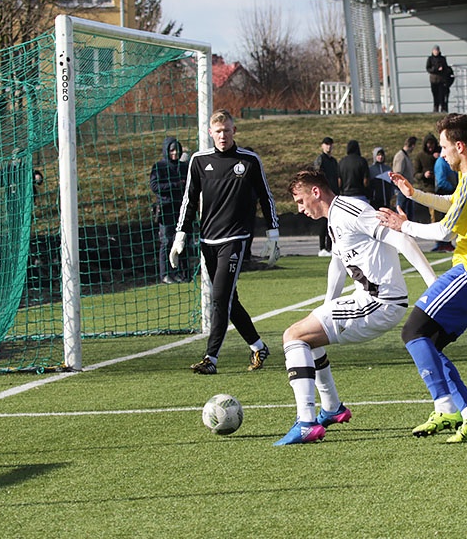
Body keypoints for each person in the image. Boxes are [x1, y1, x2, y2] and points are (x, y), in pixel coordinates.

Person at [275, 169, 437, 445]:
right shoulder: (335, 217)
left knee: (293, 336)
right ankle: (332, 408)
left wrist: (433, 284)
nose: (300, 209)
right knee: (310, 337)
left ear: (316, 192)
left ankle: (306, 422)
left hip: (379, 303)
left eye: (301, 201)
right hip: (371, 300)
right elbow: (338, 263)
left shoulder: (352, 210)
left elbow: (400, 239)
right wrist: (327, 305)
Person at [377, 113, 467, 443]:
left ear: (460, 146)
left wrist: (402, 225)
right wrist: (414, 193)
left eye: (445, 146)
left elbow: (444, 229)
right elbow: (453, 204)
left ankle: (445, 406)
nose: (441, 153)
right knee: (429, 345)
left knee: (412, 331)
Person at [170, 109, 280, 374]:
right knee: (228, 299)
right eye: (218, 131)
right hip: (208, 240)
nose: (222, 135)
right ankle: (258, 346)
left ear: (234, 131)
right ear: (211, 132)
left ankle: (211, 358)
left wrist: (273, 233)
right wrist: (180, 235)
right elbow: (188, 199)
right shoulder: (198, 161)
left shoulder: (249, 161)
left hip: (236, 238)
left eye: (227, 130)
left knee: (220, 296)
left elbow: (266, 197)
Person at [149, 136, 189, 283]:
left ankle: (181, 273)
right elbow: (155, 187)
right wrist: (175, 185)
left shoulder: (183, 166)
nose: (175, 153)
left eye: (177, 150)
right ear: (166, 151)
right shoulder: (159, 167)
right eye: (172, 150)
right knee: (166, 242)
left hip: (181, 209)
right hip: (166, 209)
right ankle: (165, 274)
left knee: (182, 241)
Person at [313, 136, 340, 257]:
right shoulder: (321, 159)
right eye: (326, 144)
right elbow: (317, 175)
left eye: (330, 144)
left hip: (333, 194)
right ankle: (322, 247)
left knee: (331, 221)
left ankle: (330, 247)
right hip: (323, 194)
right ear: (322, 146)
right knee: (323, 221)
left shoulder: (333, 161)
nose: (329, 146)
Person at [432, 140, 457, 252]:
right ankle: (442, 243)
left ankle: (446, 242)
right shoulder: (441, 163)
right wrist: (454, 189)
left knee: (449, 218)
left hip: (450, 193)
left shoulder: (448, 162)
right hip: (444, 193)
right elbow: (441, 181)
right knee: (444, 218)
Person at [392, 135, 417, 220]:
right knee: (402, 212)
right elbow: (398, 173)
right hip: (402, 190)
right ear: (412, 145)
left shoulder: (405, 156)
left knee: (409, 213)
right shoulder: (401, 156)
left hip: (407, 189)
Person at [426, 45, 453, 113]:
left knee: (442, 95)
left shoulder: (442, 59)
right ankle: (436, 108)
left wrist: (442, 69)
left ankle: (443, 108)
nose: (436, 52)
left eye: (437, 50)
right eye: (435, 50)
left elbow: (446, 68)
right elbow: (428, 68)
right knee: (435, 95)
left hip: (441, 80)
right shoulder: (430, 59)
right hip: (433, 80)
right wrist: (435, 69)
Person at [368, 146, 393, 210]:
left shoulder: (388, 169)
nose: (380, 157)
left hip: (386, 200)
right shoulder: (371, 169)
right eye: (378, 155)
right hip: (375, 201)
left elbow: (391, 183)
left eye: (382, 155)